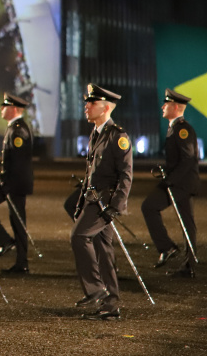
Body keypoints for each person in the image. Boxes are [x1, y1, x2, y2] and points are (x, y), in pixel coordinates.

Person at [71, 84, 132, 320]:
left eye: (91, 103)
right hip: (93, 199)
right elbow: (90, 174)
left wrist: (116, 206)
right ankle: (110, 305)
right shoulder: (97, 133)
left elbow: (126, 175)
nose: (86, 106)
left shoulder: (118, 135)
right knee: (104, 251)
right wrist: (80, 202)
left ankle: (96, 289)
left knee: (79, 236)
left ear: (105, 108)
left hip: (105, 202)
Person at [141, 88, 200, 278]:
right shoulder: (175, 127)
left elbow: (188, 159)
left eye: (166, 104)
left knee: (150, 207)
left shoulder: (182, 129)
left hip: (181, 184)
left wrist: (170, 180)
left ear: (175, 107)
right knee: (186, 223)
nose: (162, 107)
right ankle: (187, 263)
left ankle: (169, 249)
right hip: (178, 182)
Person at [0, 93, 34, 274]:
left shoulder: (18, 129)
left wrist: (7, 184)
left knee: (16, 220)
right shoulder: (15, 127)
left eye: (5, 106)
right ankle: (10, 247)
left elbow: (19, 162)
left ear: (13, 109)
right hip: (10, 180)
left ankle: (20, 259)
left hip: (14, 182)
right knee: (8, 216)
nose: (1, 109)